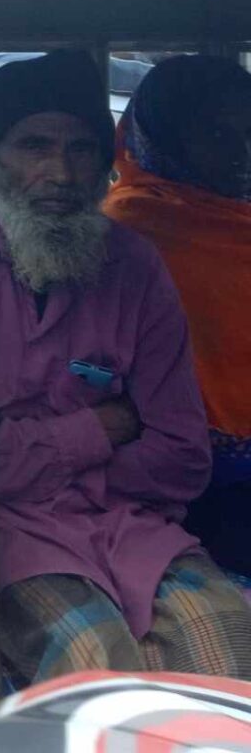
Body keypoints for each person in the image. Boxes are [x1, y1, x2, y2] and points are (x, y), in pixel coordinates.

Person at [0, 50, 251, 684]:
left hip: (127, 526)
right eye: (34, 146)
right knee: (95, 669)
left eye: (82, 149)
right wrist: (96, 431)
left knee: (230, 651)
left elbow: (183, 457)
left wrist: (28, 459)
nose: (60, 172)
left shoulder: (133, 265)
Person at [103, 55, 251, 578]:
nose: (239, 151)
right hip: (182, 478)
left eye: (247, 130)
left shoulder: (240, 213)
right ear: (163, 135)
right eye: (215, 133)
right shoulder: (131, 227)